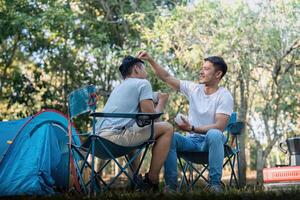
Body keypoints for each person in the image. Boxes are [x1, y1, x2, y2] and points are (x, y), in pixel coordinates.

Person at [137, 51, 233, 193]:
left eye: (206, 69)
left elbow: (219, 126)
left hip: (211, 143)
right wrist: (150, 60)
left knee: (214, 134)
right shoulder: (194, 89)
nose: (201, 72)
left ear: (218, 74)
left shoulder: (224, 96)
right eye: (202, 68)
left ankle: (215, 185)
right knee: (169, 137)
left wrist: (192, 128)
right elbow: (167, 77)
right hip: (191, 142)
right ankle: (171, 186)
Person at [95, 55, 174, 192]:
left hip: (98, 141)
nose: (146, 72)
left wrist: (154, 96)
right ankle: (151, 180)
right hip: (116, 139)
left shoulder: (119, 88)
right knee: (167, 128)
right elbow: (151, 117)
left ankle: (136, 181)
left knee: (133, 134)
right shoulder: (143, 83)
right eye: (144, 68)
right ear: (137, 68)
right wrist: (162, 101)